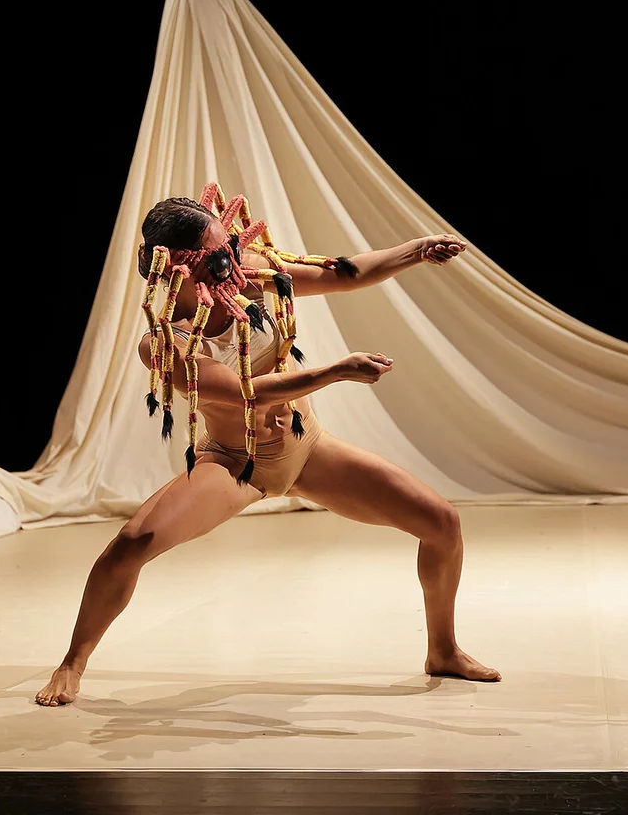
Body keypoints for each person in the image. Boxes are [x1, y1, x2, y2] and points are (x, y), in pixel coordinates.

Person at [36, 183, 498, 706]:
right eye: (219, 252)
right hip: (238, 465)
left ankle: (443, 650)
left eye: (231, 244)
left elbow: (344, 273)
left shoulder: (252, 276)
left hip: (307, 450)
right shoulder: (164, 343)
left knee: (442, 524)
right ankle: (72, 662)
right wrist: (334, 371)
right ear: (181, 268)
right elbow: (240, 395)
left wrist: (416, 249)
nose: (234, 257)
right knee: (132, 544)